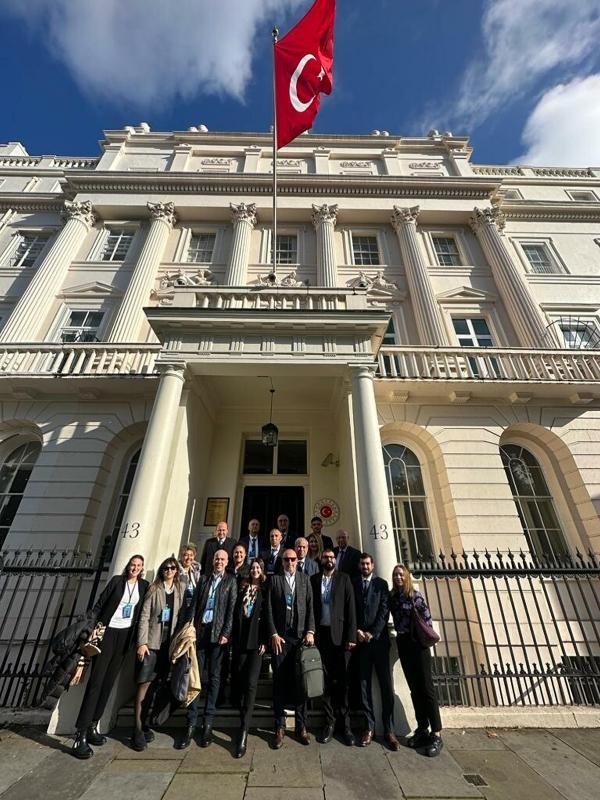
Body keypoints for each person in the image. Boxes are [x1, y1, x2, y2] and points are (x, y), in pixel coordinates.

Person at [72, 555, 149, 759]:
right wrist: (92, 629)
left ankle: (93, 725)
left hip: (125, 638)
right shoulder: (116, 581)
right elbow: (99, 605)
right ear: (128, 566)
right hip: (107, 633)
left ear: (142, 568)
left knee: (108, 683)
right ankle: (80, 733)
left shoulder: (143, 586)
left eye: (139, 565)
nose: (135, 568)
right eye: (132, 564)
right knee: (96, 683)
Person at [176, 549, 237, 749]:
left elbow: (231, 610)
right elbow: (194, 606)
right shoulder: (203, 579)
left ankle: (208, 723)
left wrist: (226, 632)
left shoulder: (230, 581)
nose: (219, 561)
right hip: (200, 633)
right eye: (217, 558)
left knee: (214, 677)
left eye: (222, 559)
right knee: (195, 676)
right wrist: (190, 628)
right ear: (213, 561)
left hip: (218, 636)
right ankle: (191, 723)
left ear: (227, 562)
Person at [390, 563, 443, 757]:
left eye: (401, 575)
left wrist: (420, 638)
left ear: (406, 577)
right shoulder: (393, 597)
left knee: (426, 688)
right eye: (396, 575)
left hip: (418, 644)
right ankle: (422, 728)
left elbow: (427, 620)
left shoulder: (415, 596)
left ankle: (436, 733)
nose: (398, 577)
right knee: (414, 688)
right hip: (403, 643)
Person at [266, 547, 315, 749]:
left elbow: (311, 606)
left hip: (300, 639)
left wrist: (310, 631)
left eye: (293, 559)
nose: (290, 562)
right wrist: (273, 633)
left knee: (300, 683)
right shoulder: (275, 580)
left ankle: (301, 726)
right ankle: (279, 726)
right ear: (282, 561)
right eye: (286, 559)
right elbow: (268, 608)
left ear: (297, 561)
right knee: (279, 681)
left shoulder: (304, 580)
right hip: (281, 639)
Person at [134, 557, 185, 751]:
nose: (169, 571)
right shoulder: (154, 589)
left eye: (172, 568)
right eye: (166, 568)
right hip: (152, 645)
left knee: (157, 684)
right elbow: (144, 616)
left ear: (176, 571)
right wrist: (142, 643)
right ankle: (137, 729)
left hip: (167, 645)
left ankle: (146, 723)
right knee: (144, 684)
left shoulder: (179, 589)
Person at [352, 552, 399, 751]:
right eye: (362, 564)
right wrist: (357, 631)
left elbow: (384, 611)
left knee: (386, 685)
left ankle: (389, 730)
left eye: (367, 564)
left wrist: (373, 633)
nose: (365, 566)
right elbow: (351, 609)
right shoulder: (354, 583)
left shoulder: (381, 584)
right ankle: (369, 727)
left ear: (373, 565)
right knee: (363, 686)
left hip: (378, 642)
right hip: (361, 643)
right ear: (359, 566)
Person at [311, 549, 357, 746]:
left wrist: (351, 636)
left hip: (341, 638)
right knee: (326, 681)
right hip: (321, 636)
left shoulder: (344, 579)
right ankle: (329, 722)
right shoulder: (314, 580)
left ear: (335, 561)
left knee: (343, 682)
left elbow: (351, 608)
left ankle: (345, 725)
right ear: (321, 560)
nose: (329, 559)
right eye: (325, 557)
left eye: (331, 557)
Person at [230, 557, 268, 758]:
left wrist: (265, 640)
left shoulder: (265, 590)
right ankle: (241, 714)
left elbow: (269, 615)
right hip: (240, 640)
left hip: (256, 642)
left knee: (252, 683)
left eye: (257, 568)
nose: (254, 570)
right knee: (240, 679)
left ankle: (244, 730)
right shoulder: (242, 588)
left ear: (262, 571)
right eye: (252, 567)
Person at [178, 542, 201, 608]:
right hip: (180, 605)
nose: (189, 558)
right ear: (181, 556)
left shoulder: (196, 570)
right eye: (186, 555)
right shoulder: (176, 570)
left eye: (191, 555)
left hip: (191, 605)